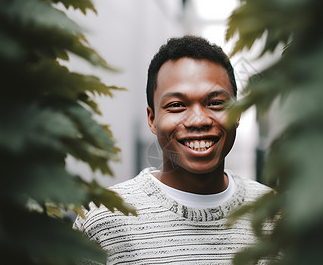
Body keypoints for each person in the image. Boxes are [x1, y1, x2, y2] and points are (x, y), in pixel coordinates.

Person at [73, 36, 272, 264]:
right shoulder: (103, 221)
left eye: (216, 103)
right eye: (177, 105)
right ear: (152, 119)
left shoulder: (277, 217)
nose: (198, 120)